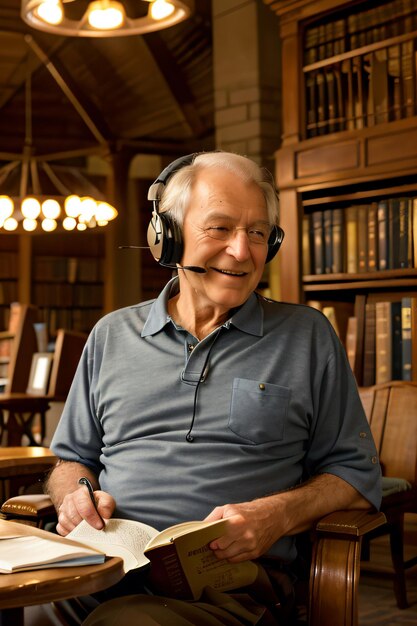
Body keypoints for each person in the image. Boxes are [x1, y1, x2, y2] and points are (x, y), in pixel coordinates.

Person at [46, 151, 381, 626]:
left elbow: (356, 476)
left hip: (230, 586)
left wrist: (276, 516)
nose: (242, 252)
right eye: (219, 228)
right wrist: (74, 495)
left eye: (258, 233)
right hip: (100, 567)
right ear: (169, 237)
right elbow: (70, 461)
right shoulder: (110, 335)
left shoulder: (308, 336)